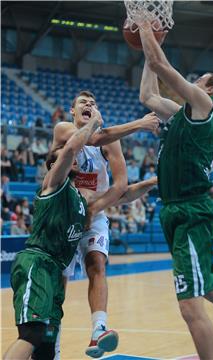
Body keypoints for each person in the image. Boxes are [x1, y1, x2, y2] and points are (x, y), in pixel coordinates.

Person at [139, 20, 213, 360]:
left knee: (190, 307)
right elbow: (148, 96)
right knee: (207, 288)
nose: (193, 82)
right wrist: (144, 53)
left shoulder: (207, 108)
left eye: (199, 80)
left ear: (208, 90)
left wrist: (144, 27)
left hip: (192, 211)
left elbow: (163, 65)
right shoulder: (184, 114)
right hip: (177, 209)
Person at [51, 90, 160, 358]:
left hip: (94, 213)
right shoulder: (64, 129)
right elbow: (95, 136)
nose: (89, 105)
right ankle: (51, 343)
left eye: (93, 103)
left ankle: (98, 330)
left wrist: (96, 207)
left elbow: (121, 185)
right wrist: (140, 123)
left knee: (97, 264)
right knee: (59, 283)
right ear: (72, 111)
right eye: (83, 103)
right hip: (64, 214)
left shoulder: (112, 142)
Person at [3, 109, 102, 360]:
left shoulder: (78, 198)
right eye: (68, 157)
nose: (75, 156)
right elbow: (69, 150)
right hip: (37, 262)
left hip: (55, 272)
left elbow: (120, 194)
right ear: (54, 165)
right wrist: (93, 125)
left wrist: (152, 182)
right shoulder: (53, 183)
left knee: (46, 348)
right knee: (32, 334)